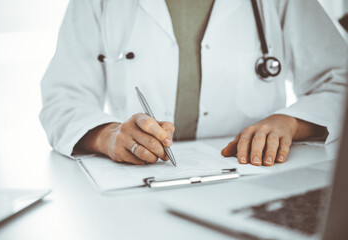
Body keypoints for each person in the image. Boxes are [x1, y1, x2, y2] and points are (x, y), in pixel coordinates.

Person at [40, 0, 347, 166]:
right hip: (137, 185)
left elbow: (340, 81)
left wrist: (289, 123)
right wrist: (109, 136)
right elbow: (63, 99)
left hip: (253, 174)